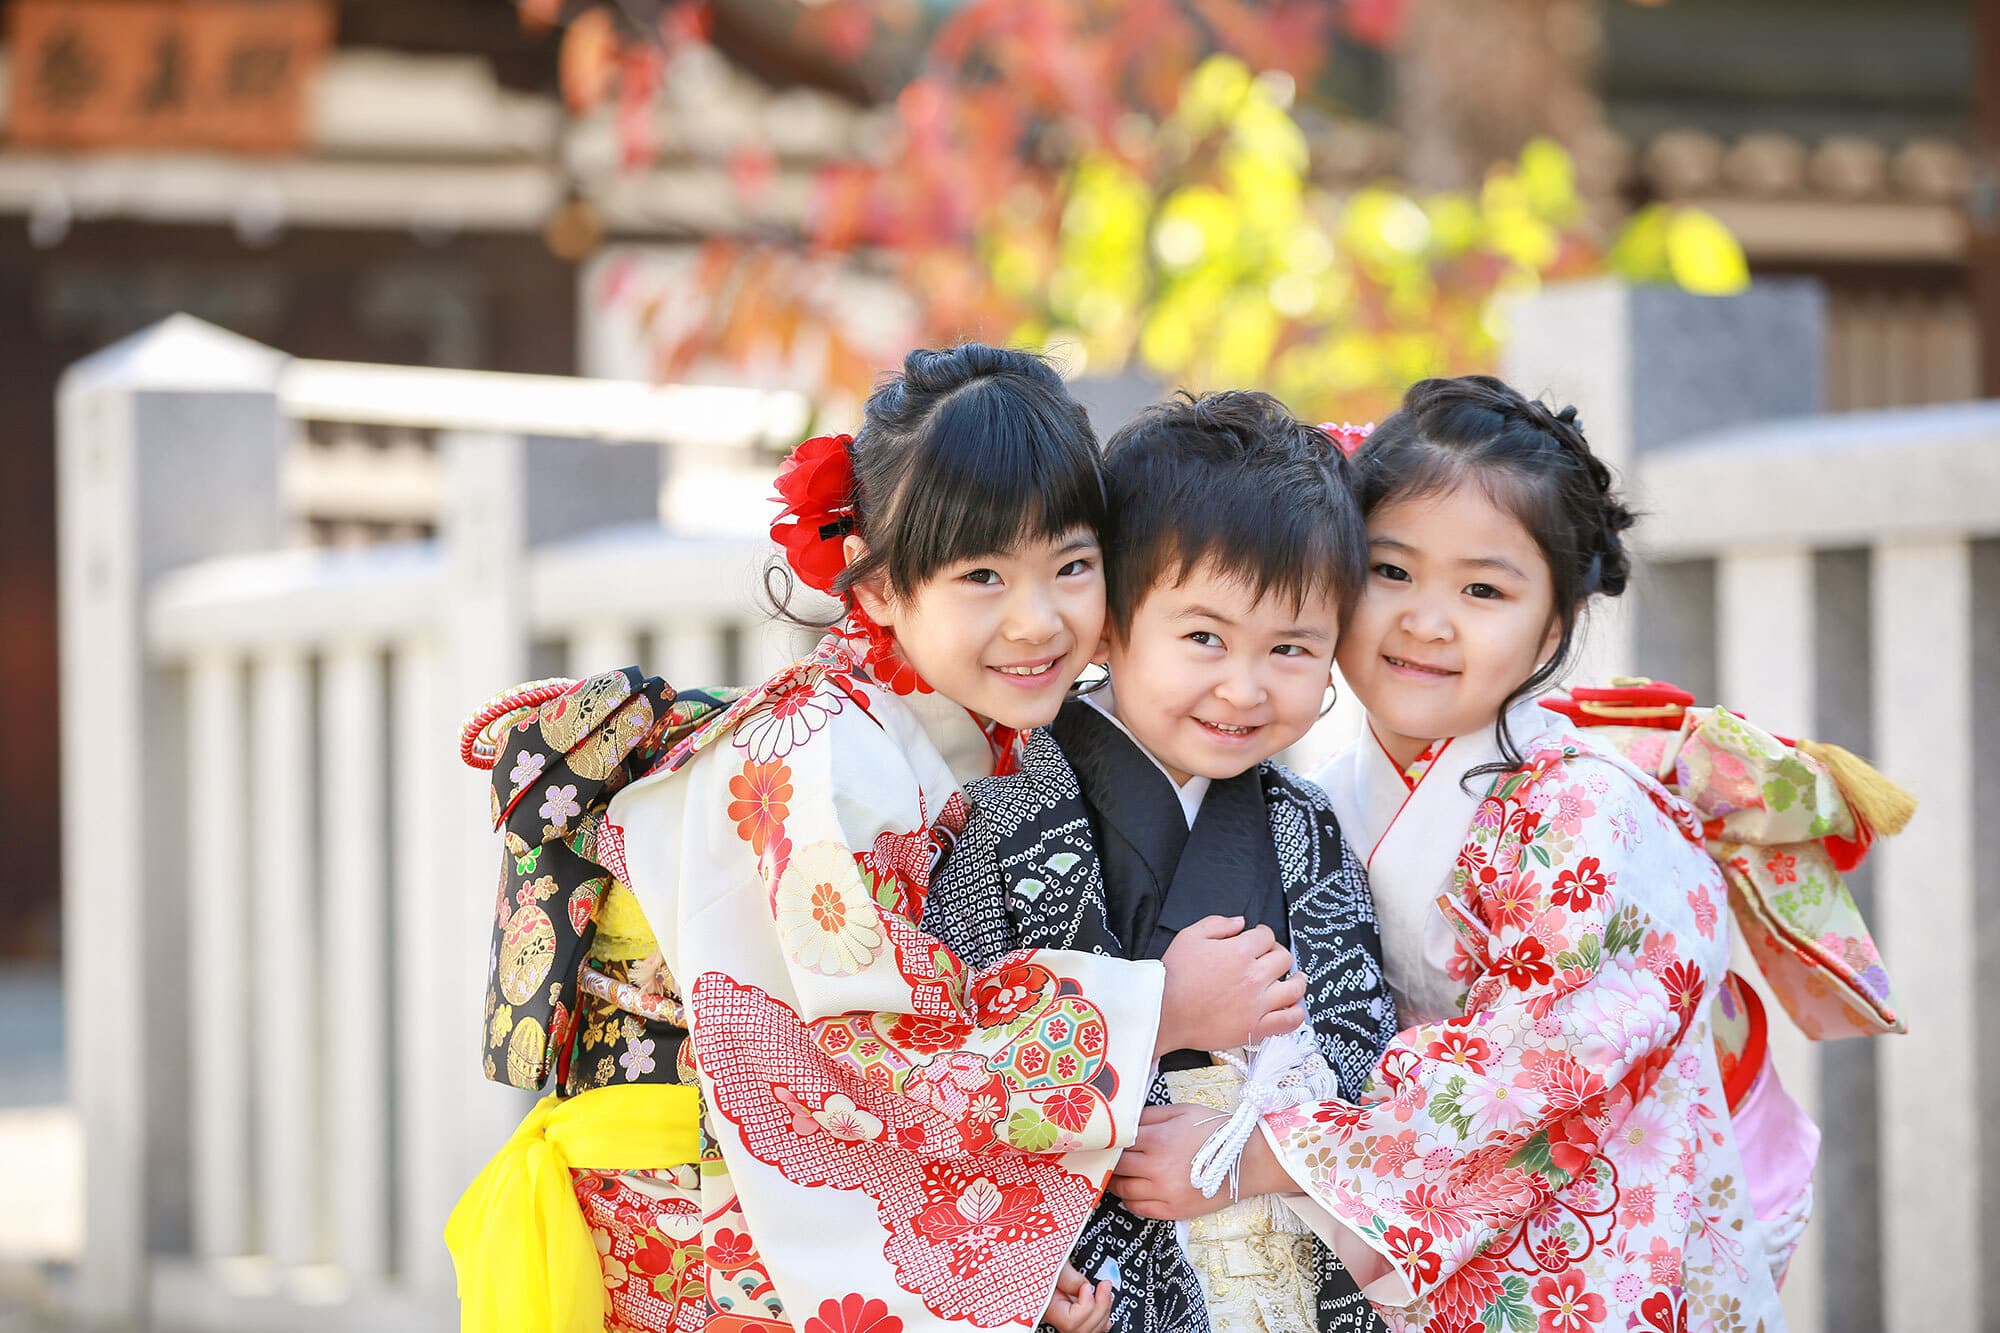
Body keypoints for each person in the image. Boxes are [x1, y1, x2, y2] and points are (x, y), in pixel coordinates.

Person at [446, 344, 1308, 1333]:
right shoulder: (828, 761)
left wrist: (1008, 1263)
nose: (1037, 619)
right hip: (699, 1214)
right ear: (880, 586)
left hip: (738, 1194)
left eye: (1070, 566)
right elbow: (878, 1057)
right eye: (982, 574)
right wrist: (1157, 1009)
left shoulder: (893, 739)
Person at [1110, 375, 1798, 1333]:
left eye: (1482, 589)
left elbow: (1532, 1073)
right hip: (1406, 1239)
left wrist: (1258, 1153)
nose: (1427, 621)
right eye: (1391, 572)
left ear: (1553, 625)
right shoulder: (1314, 793)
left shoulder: (1587, 810)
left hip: (1591, 1230)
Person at [926, 391, 1399, 1333]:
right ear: (1111, 622)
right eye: (1205, 637)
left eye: (1293, 647)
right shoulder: (1003, 803)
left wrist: (1251, 1139)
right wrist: (1026, 1258)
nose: (1246, 686)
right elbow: (946, 1047)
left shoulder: (1304, 826)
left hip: (1276, 1267)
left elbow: (1366, 1051)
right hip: (1092, 1280)